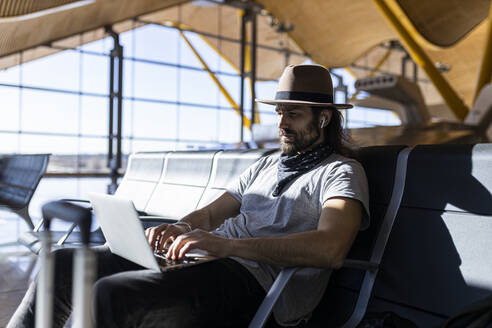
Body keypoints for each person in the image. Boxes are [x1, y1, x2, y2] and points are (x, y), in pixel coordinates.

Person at [8, 64, 369, 328]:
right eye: (278, 112)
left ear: (323, 119)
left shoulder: (340, 173)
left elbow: (329, 248)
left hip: (257, 286)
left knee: (112, 295)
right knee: (64, 265)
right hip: (207, 263)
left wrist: (226, 247)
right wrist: (180, 228)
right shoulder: (264, 166)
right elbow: (211, 215)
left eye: (293, 113)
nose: (281, 122)